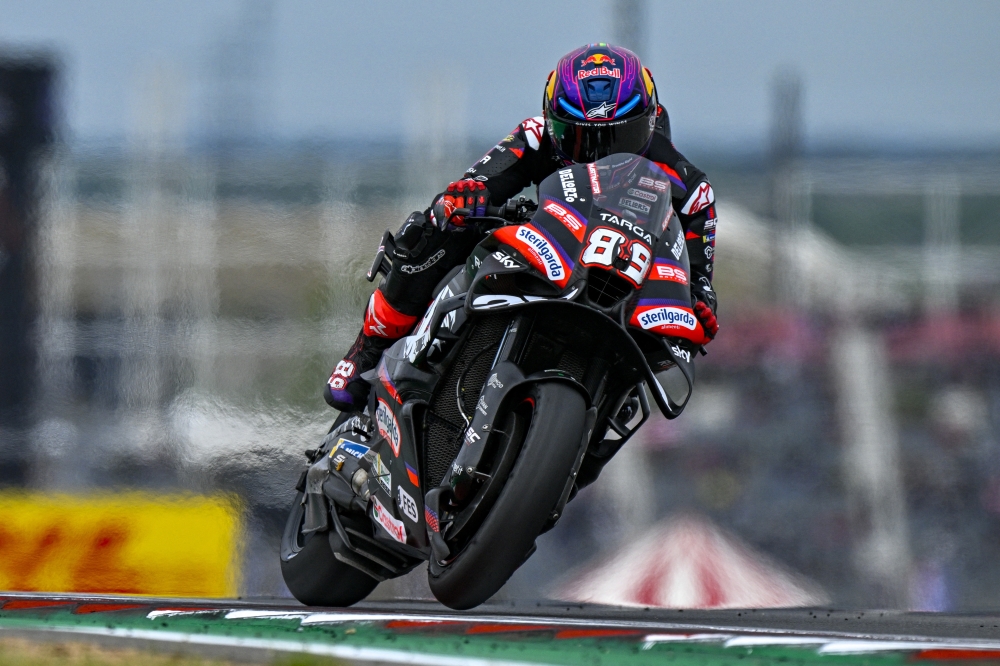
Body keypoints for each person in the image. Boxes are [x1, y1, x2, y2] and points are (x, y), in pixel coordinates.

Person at [324, 43, 719, 412]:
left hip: (620, 280)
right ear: (553, 122)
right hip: (550, 244)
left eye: (619, 139)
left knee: (655, 365)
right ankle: (369, 347)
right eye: (579, 139)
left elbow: (700, 278)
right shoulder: (535, 136)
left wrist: (700, 300)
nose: (598, 155)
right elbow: (480, 181)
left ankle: (597, 414)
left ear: (650, 121)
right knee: (436, 222)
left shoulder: (688, 185)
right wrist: (467, 196)